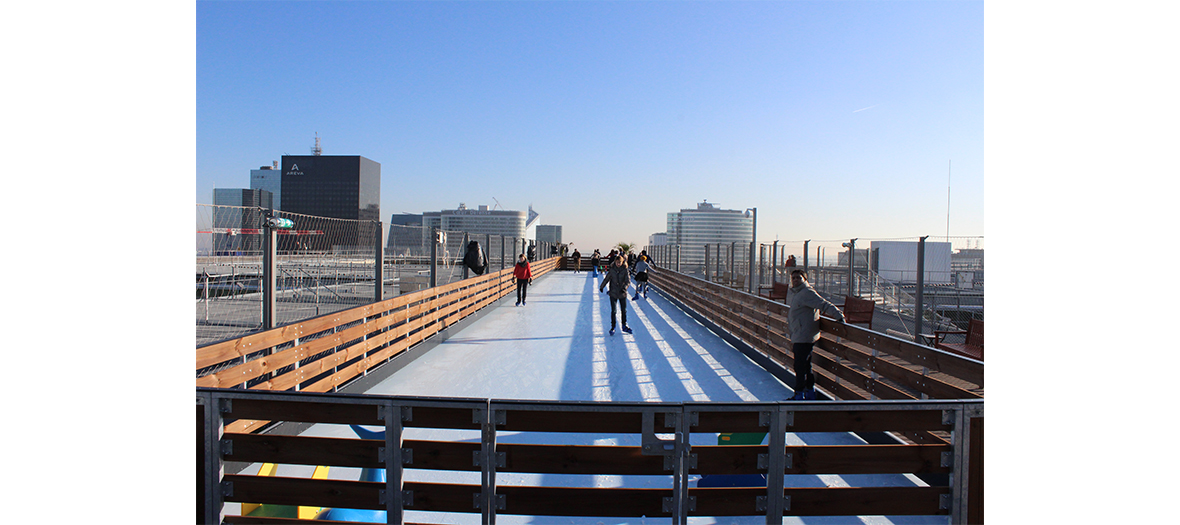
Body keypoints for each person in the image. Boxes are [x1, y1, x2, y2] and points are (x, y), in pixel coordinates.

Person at [785, 268, 844, 400]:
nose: (795, 280)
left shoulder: (806, 292)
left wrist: (838, 316)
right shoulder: (799, 293)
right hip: (800, 333)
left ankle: (799, 394)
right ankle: (810, 392)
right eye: (793, 278)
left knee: (800, 367)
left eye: (799, 278)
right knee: (805, 366)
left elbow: (823, 304)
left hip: (804, 336)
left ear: (805, 280)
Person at [598, 255, 632, 335]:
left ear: (622, 262)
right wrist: (602, 286)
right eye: (617, 262)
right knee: (613, 311)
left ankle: (624, 325)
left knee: (624, 310)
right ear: (615, 262)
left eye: (619, 262)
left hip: (622, 293)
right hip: (613, 293)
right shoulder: (612, 269)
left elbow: (628, 281)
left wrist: (624, 287)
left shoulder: (625, 270)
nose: (618, 264)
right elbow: (607, 278)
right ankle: (613, 327)